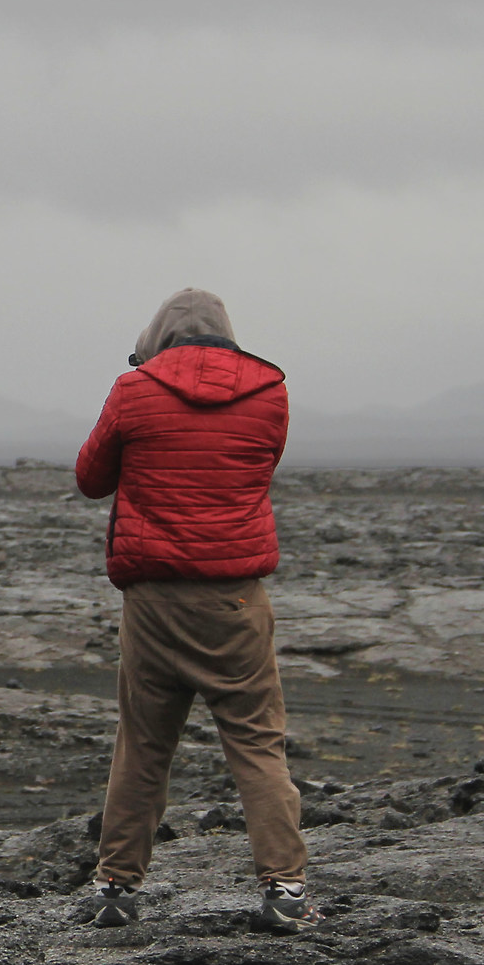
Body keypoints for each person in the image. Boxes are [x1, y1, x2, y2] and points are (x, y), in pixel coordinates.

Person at [75, 288, 308, 931]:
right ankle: (285, 889)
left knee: (144, 744)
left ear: (158, 334)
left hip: (152, 598)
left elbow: (91, 478)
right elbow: (256, 471)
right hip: (235, 598)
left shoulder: (135, 388)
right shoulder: (271, 393)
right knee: (258, 743)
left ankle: (117, 887)